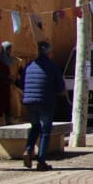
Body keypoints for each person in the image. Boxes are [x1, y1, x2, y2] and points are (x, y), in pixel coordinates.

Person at [18, 40, 61, 170]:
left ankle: (28, 149)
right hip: (45, 101)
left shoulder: (30, 65)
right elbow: (60, 85)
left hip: (30, 101)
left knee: (35, 127)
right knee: (45, 131)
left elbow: (21, 83)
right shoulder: (52, 66)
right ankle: (41, 160)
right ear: (49, 53)